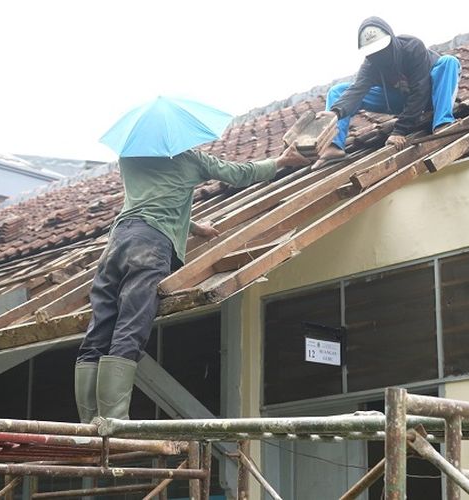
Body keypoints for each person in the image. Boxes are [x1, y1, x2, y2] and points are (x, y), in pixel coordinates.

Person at [74, 145, 311, 423]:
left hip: (116, 243)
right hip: (149, 245)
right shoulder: (189, 159)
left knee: (100, 328)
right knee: (131, 326)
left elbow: (154, 198)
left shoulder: (129, 156)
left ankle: (89, 423)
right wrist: (280, 161)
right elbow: (239, 173)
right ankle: (113, 420)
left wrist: (197, 228)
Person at [320, 16, 461, 160]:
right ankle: (335, 145)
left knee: (449, 62)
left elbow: (420, 90)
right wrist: (335, 113)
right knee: (338, 91)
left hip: (431, 94)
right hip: (401, 100)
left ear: (391, 40)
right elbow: (357, 91)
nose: (379, 55)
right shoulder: (370, 65)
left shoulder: (412, 47)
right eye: (373, 52)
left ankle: (442, 122)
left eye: (382, 49)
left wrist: (399, 131)